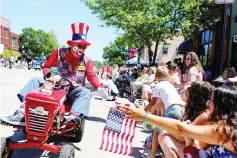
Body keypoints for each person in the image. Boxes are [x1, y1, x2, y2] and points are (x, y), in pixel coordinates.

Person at [0, 22, 108, 126]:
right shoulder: (58, 52)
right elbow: (47, 66)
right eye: (79, 45)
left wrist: (98, 87)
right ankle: (22, 112)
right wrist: (51, 76)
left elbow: (91, 75)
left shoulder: (87, 60)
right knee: (35, 80)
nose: (81, 49)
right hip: (53, 86)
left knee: (85, 92)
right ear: (71, 44)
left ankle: (72, 120)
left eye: (84, 47)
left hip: (72, 91)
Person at [118, 86, 237, 157]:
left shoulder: (225, 130)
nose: (208, 103)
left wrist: (144, 116)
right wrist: (189, 138)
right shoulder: (228, 127)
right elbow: (194, 148)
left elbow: (180, 129)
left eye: (211, 100)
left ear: (221, 105)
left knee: (164, 137)